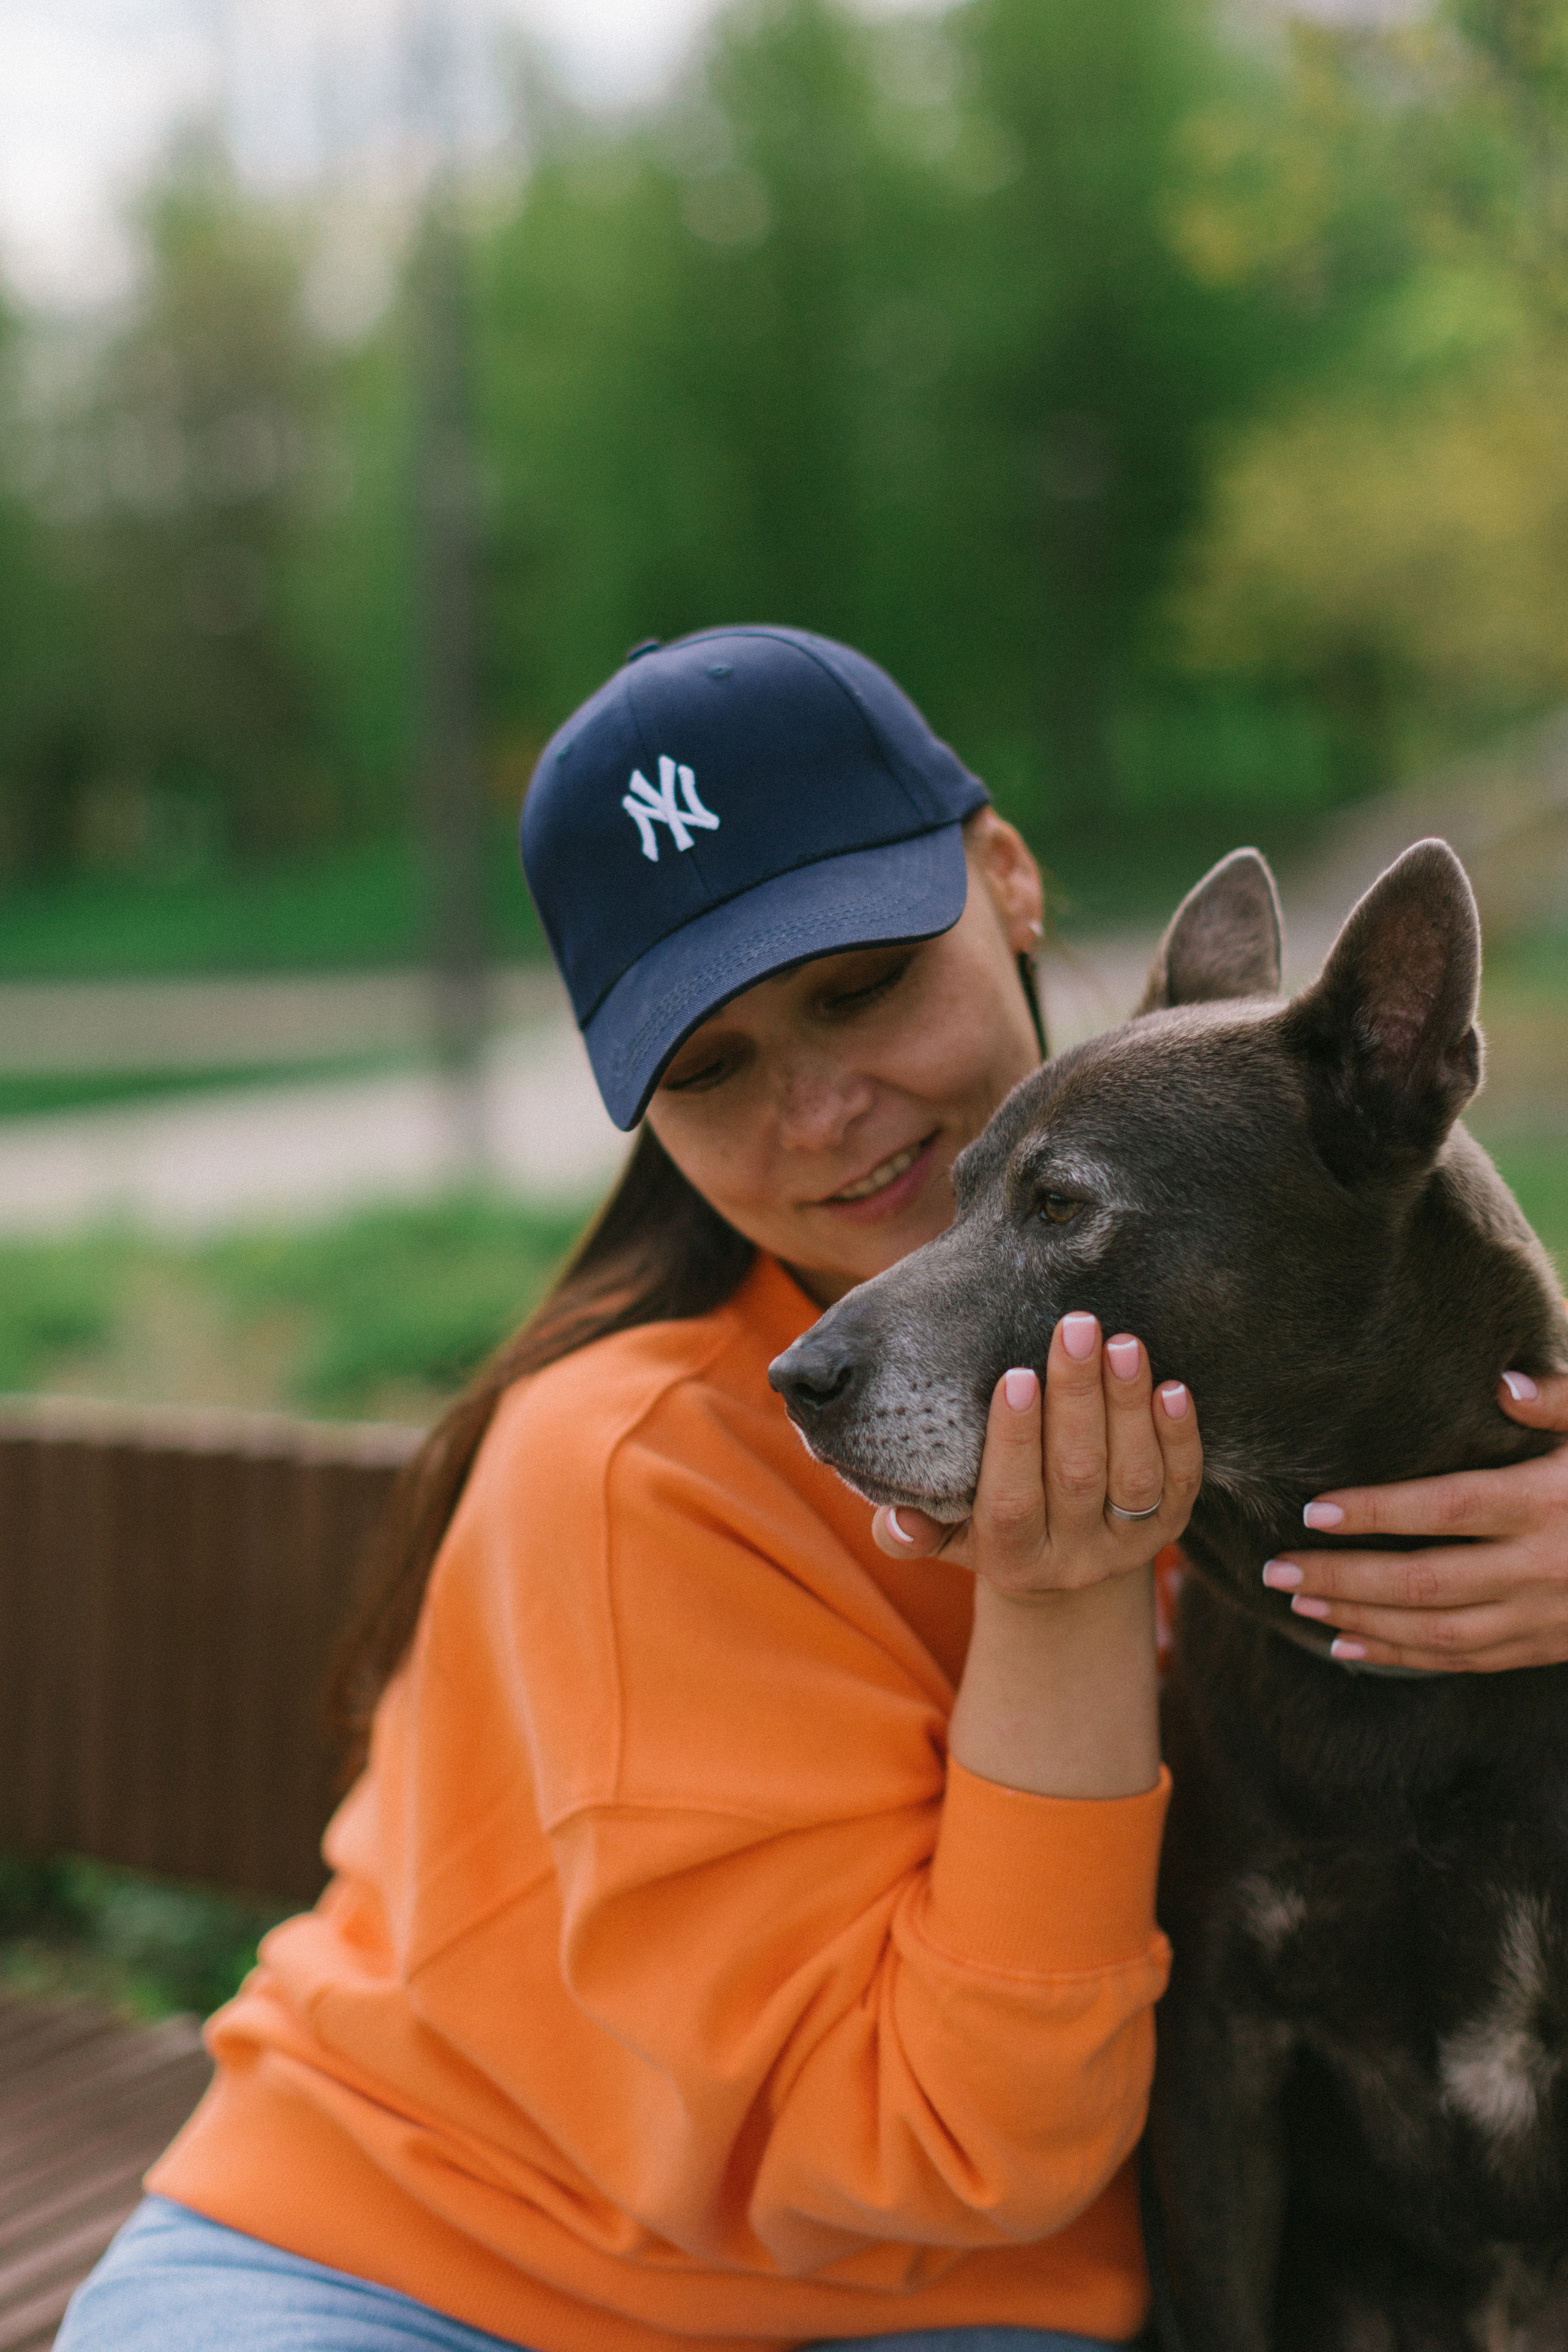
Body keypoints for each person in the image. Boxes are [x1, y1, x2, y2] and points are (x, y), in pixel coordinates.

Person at [58, 627, 1568, 2352]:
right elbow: (959, 2149)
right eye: (710, 1071)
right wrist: (1057, 1593)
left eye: (861, 988)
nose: (826, 1109)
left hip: (960, 2302)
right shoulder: (624, 1467)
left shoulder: (1216, 1263)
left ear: (1006, 876)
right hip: (419, 2267)